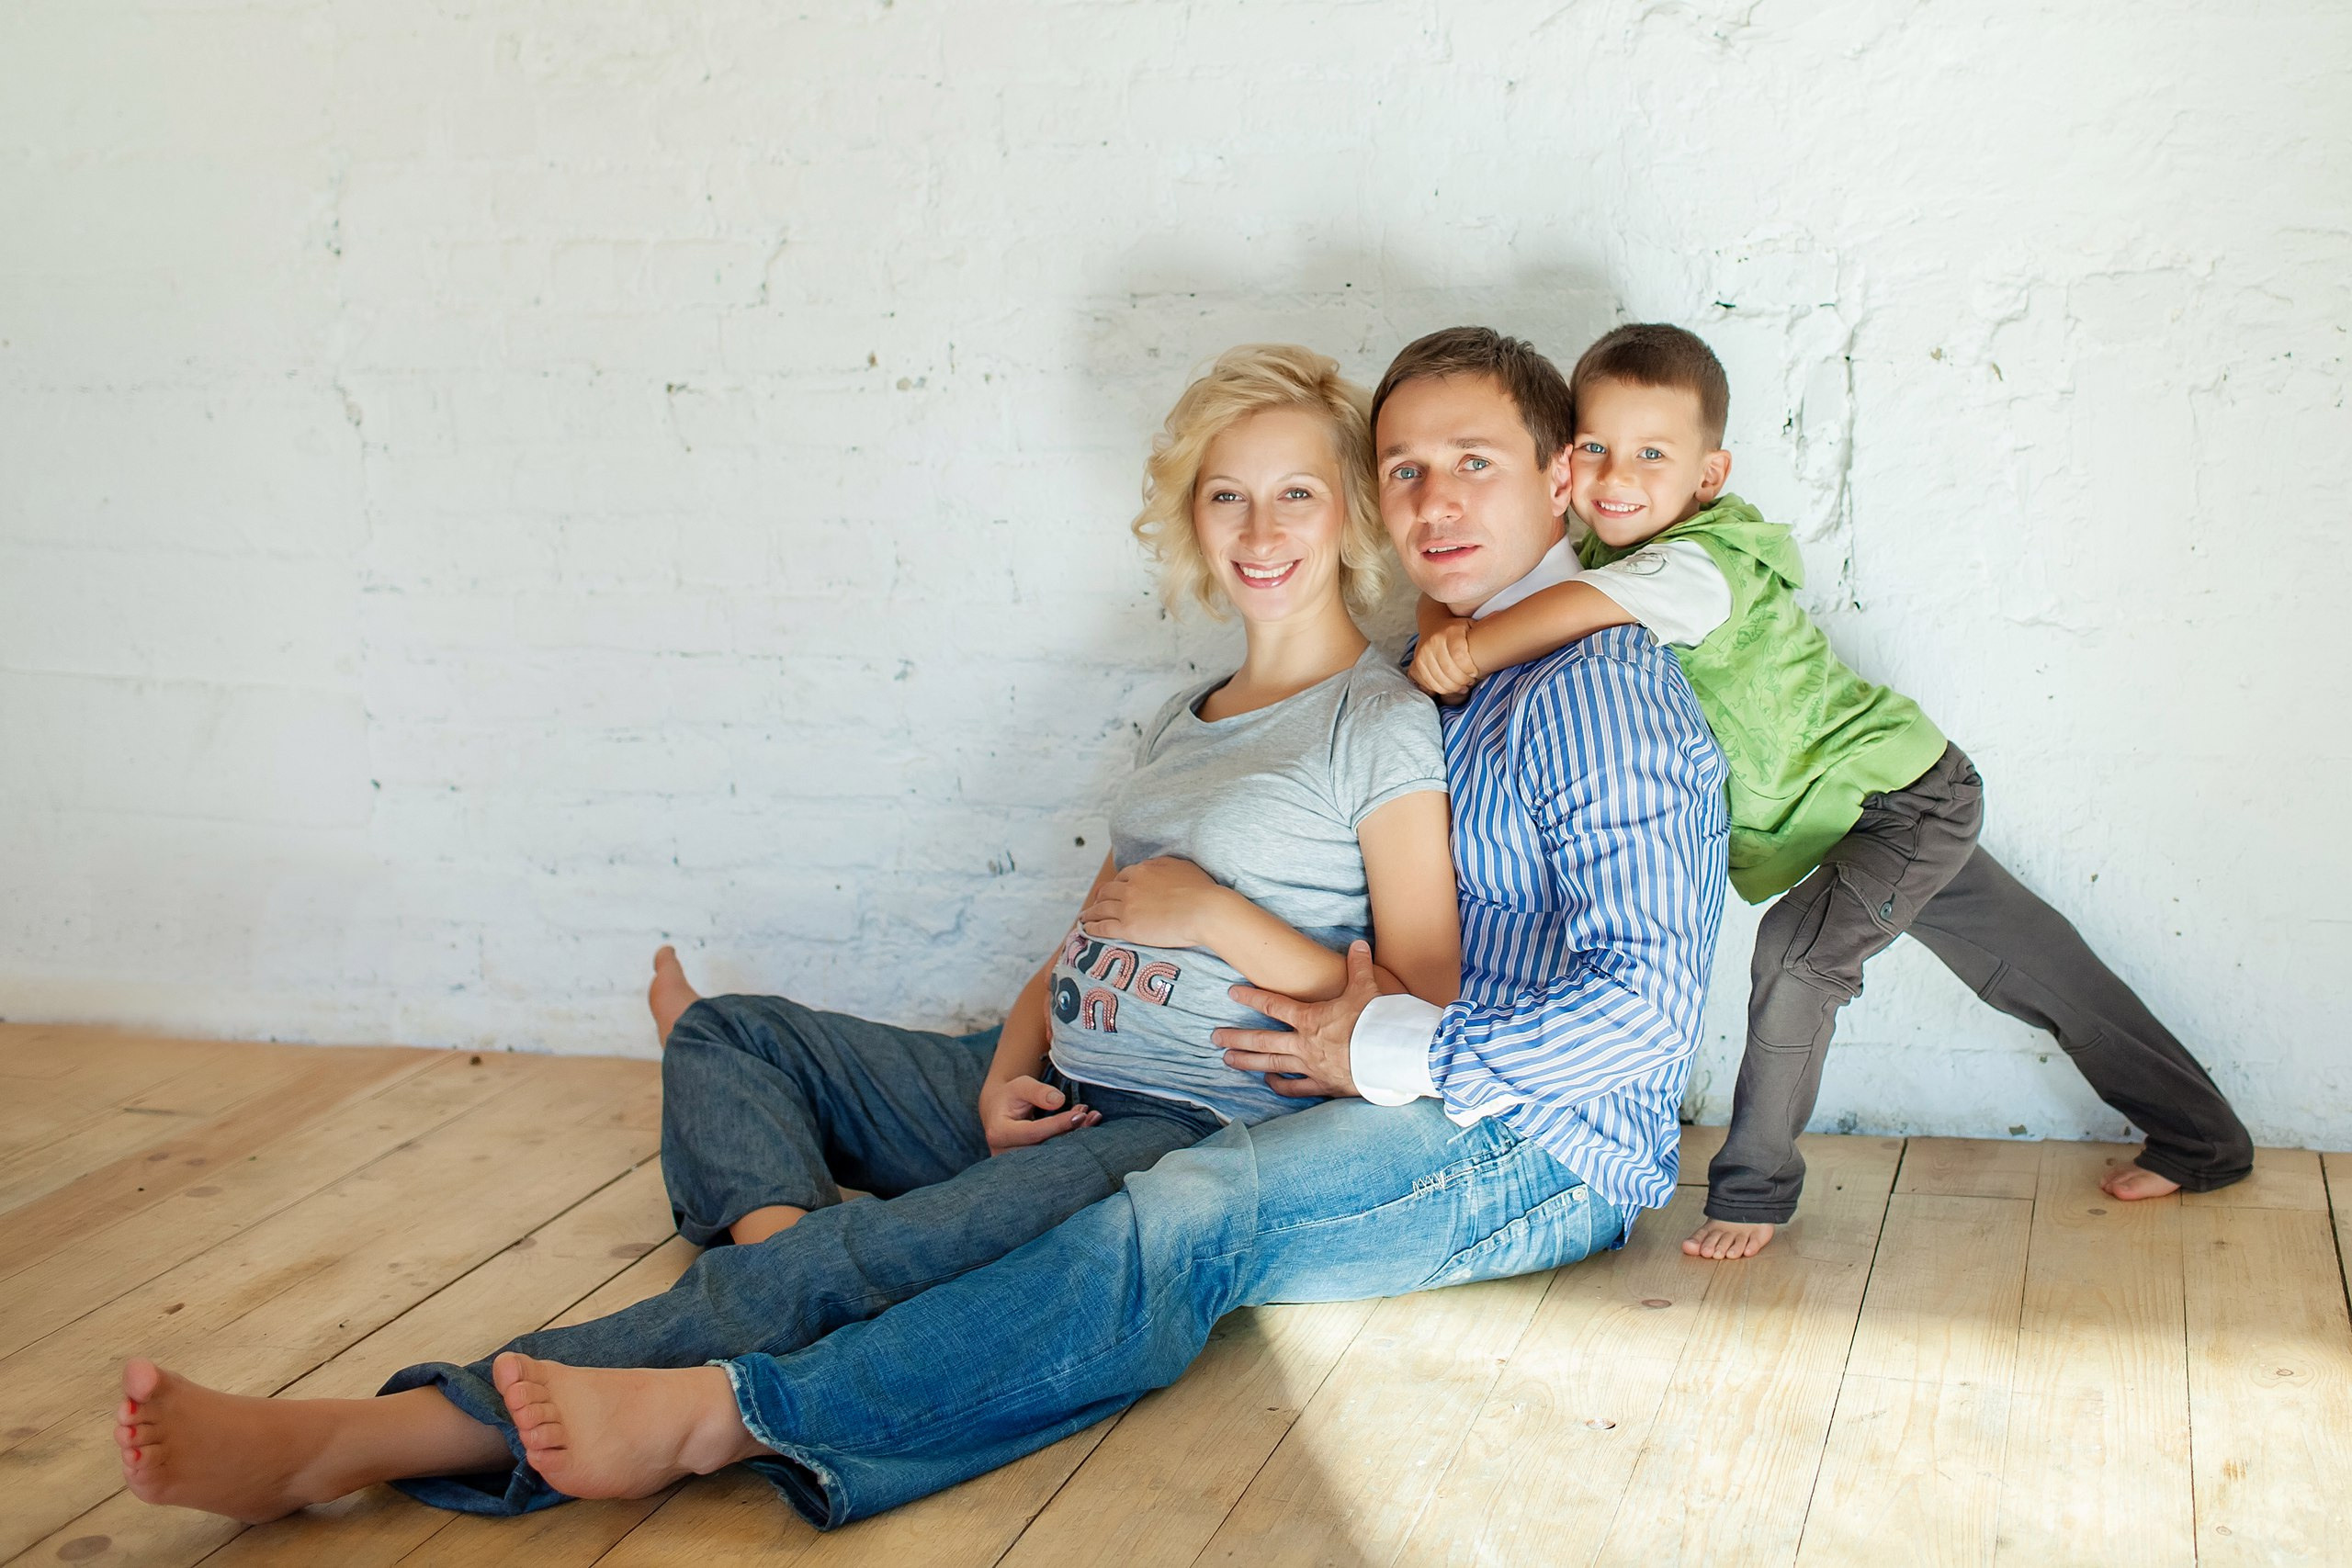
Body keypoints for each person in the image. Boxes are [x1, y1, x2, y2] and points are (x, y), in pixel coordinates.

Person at [107, 325, 1724, 1531]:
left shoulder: (1571, 689)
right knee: (745, 1046)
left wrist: (1368, 1028)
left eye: (1471, 468)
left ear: (1563, 482)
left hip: (1486, 1127)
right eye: (1406, 467)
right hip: (1168, 1065)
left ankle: (624, 1416)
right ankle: (772, 1256)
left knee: (1173, 1215)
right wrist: (1030, 1037)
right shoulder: (1448, 678)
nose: (1428, 502)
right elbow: (1116, 926)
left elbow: (1605, 1026)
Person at [1409, 321, 2254, 1260]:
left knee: (1797, 959)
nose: (1618, 476)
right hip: (1866, 808)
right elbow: (1518, 588)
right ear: (1567, 460)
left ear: (1708, 475)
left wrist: (1464, 647)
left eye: (1652, 454)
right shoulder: (1617, 560)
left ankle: (1753, 1192)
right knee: (2037, 966)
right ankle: (2202, 1139)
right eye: (1596, 448)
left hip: (1898, 804)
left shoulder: (1695, 564)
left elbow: (1557, 608)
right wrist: (1442, 614)